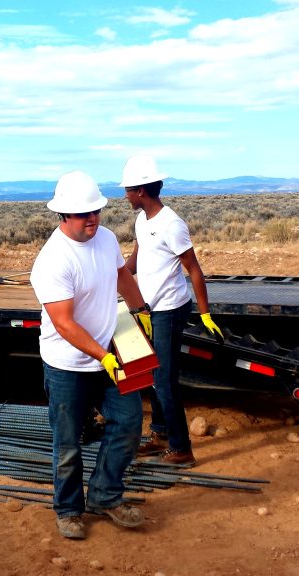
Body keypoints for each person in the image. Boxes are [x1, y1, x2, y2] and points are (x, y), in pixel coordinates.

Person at [30, 170, 152, 541]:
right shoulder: (53, 261)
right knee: (67, 443)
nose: (93, 219)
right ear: (63, 216)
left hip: (112, 348)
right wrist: (103, 356)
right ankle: (68, 510)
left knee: (129, 425)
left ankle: (104, 495)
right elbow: (64, 324)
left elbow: (122, 278)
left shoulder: (107, 239)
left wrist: (140, 311)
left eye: (96, 211)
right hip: (69, 364)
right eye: (84, 214)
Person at [121, 155, 224, 468]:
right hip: (147, 310)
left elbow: (194, 269)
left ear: (141, 191)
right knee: (150, 375)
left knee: (164, 380)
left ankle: (182, 450)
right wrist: (112, 280)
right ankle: (160, 435)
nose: (124, 195)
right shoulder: (142, 221)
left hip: (169, 310)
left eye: (127, 190)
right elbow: (136, 261)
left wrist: (204, 313)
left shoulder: (171, 224)